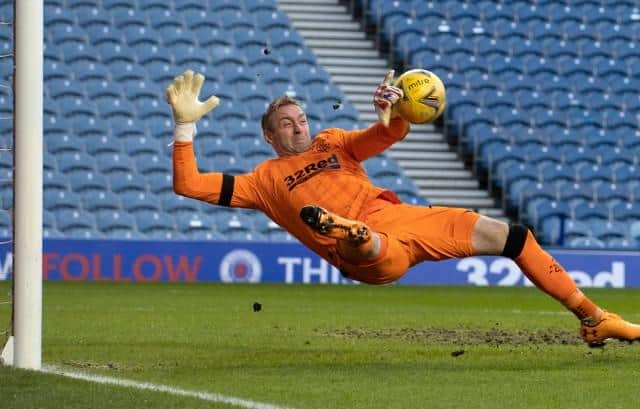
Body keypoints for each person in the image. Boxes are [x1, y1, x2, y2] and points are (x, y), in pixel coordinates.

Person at [166, 69, 640, 347]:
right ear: (269, 136)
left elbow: (387, 136)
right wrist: (184, 127)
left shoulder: (333, 143)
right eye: (286, 124)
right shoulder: (263, 181)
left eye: (301, 119)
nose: (298, 127)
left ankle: (594, 319)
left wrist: (389, 114)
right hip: (367, 251)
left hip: (401, 216)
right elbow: (188, 184)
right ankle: (345, 231)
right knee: (365, 243)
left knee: (511, 235)